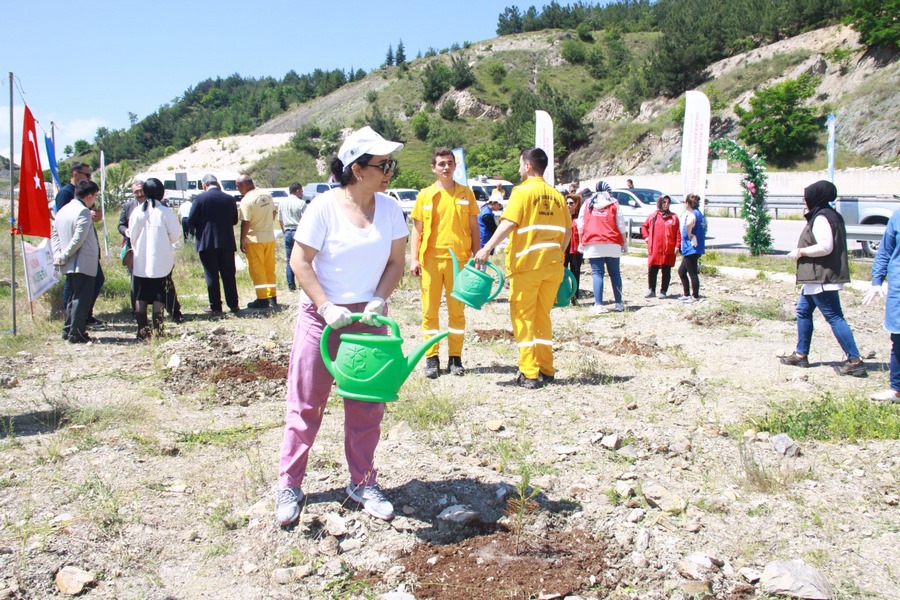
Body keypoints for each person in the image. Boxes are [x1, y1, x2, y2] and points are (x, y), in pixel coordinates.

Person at [276, 126, 408, 526]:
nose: (389, 171)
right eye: (382, 164)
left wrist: (379, 298)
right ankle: (290, 484)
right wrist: (326, 305)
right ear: (355, 168)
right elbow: (300, 262)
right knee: (306, 404)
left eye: (390, 164)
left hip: (368, 320)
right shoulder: (323, 207)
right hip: (324, 320)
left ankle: (363, 482)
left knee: (367, 407)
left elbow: (395, 263)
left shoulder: (389, 209)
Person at [475, 148, 572, 389]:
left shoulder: (522, 192)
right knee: (542, 317)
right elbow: (568, 231)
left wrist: (486, 248)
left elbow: (509, 223)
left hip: (527, 266)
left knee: (523, 318)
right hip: (552, 266)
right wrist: (558, 253)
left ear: (528, 166)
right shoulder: (557, 196)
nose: (520, 168)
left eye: (521, 164)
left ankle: (529, 372)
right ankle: (546, 369)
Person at [780, 181, 865, 377]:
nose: (805, 200)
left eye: (806, 196)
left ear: (815, 197)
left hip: (822, 276)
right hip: (817, 277)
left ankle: (855, 360)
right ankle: (801, 354)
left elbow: (826, 247)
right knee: (803, 310)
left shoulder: (822, 218)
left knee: (834, 317)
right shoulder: (830, 214)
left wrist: (801, 252)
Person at [410, 148, 480, 378]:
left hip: (459, 261)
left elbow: (473, 227)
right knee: (429, 312)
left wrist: (477, 255)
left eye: (450, 163)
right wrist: (414, 258)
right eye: (441, 164)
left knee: (456, 312)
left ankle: (455, 358)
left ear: (455, 165)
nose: (446, 167)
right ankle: (431, 359)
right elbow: (417, 230)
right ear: (434, 168)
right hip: (430, 260)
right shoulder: (425, 195)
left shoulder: (465, 194)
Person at [120, 180, 183, 323]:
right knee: (159, 295)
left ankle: (142, 329)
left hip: (141, 260)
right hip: (160, 261)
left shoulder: (137, 212)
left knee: (141, 295)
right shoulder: (165, 212)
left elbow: (132, 235)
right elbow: (174, 236)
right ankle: (158, 329)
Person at [51, 180, 101, 344]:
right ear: (89, 196)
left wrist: (58, 254)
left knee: (73, 297)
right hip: (81, 261)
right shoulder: (83, 212)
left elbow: (55, 236)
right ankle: (77, 333)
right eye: (95, 196)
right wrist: (64, 255)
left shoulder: (62, 211)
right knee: (81, 298)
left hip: (68, 262)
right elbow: (78, 239)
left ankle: (68, 329)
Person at [56, 162, 105, 326]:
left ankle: (78, 319)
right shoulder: (66, 194)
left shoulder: (82, 200)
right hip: (75, 253)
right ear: (75, 174)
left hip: (79, 250)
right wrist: (62, 254)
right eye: (87, 175)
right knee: (76, 291)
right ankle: (74, 324)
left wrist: (96, 215)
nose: (89, 178)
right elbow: (69, 228)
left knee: (87, 286)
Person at [187, 174, 240, 315]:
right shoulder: (229, 199)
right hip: (227, 241)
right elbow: (235, 220)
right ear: (218, 184)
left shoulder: (200, 198)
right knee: (229, 274)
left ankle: (216, 306)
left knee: (211, 275)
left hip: (206, 242)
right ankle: (233, 304)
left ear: (204, 185)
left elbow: (191, 220)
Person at [862, 209, 900, 402]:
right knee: (899, 340)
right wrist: (876, 281)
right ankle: (897, 390)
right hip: (899, 289)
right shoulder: (898, 217)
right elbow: (885, 251)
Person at [578, 187, 627, 314]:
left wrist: (580, 241)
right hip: (612, 241)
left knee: (597, 273)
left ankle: (598, 305)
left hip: (593, 242)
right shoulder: (614, 202)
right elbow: (621, 224)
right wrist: (624, 242)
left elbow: (581, 224)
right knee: (615, 273)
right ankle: (619, 303)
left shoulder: (588, 202)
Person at [237, 175, 278, 309]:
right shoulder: (266, 194)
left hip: (255, 239)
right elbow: (273, 212)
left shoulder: (247, 200)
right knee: (269, 268)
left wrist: (242, 239)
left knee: (257, 270)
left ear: (244, 185)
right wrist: (266, 225)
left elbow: (246, 222)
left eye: (238, 187)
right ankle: (272, 296)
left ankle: (262, 299)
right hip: (269, 237)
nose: (238, 190)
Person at [640, 195, 681, 299]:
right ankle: (651, 289)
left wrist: (677, 246)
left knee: (666, 270)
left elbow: (678, 233)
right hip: (655, 248)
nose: (666, 204)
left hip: (668, 248)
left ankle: (663, 291)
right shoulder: (653, 216)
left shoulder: (674, 217)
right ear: (659, 203)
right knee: (652, 269)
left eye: (668, 202)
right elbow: (644, 227)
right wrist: (646, 237)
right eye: (664, 202)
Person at [278, 182, 307, 292]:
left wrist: (284, 231)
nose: (302, 193)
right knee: (302, 259)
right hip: (298, 230)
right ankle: (302, 284)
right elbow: (306, 220)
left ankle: (291, 285)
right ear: (298, 190)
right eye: (302, 191)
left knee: (289, 260)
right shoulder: (301, 203)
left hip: (288, 230)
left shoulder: (282, 203)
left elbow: (280, 220)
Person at [677, 194, 706, 303]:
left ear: (688, 204)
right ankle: (686, 294)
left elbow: (689, 224)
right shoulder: (699, 214)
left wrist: (689, 234)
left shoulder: (692, 215)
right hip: (695, 248)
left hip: (691, 248)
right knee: (681, 271)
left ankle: (695, 296)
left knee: (692, 273)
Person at [564, 192, 584, 306]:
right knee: (562, 272)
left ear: (576, 204)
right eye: (567, 203)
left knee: (575, 272)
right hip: (564, 248)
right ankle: (563, 295)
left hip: (576, 249)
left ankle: (575, 297)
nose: (568, 205)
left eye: (571, 203)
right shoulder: (563, 217)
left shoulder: (579, 217)